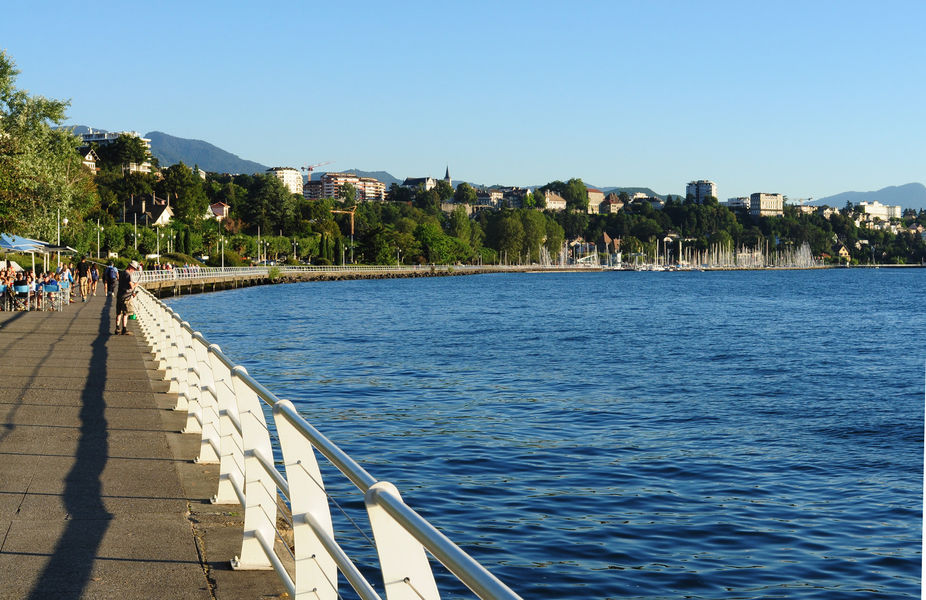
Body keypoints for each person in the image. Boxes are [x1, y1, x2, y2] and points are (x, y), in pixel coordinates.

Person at [114, 260, 140, 335]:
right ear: (131, 267)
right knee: (125, 313)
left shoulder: (122, 273)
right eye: (134, 269)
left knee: (118, 313)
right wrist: (136, 285)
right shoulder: (128, 275)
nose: (134, 271)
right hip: (126, 297)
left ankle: (117, 328)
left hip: (119, 295)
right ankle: (124, 329)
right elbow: (131, 286)